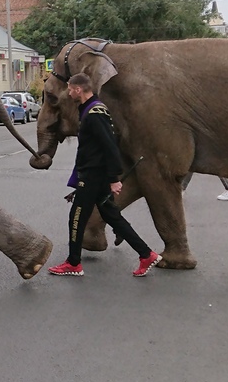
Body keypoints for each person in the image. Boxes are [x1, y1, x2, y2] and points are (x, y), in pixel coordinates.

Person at [49, 73, 161, 278]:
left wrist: (114, 178)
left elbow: (110, 146)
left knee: (76, 217)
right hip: (94, 174)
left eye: (70, 89)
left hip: (93, 176)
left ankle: (73, 263)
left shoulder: (94, 113)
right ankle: (146, 254)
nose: (69, 92)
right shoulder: (90, 109)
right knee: (112, 216)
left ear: (79, 89)